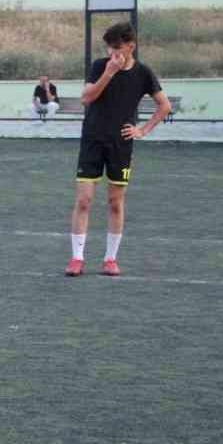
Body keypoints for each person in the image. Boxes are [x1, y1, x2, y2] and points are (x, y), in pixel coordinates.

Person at [66, 21, 170, 277]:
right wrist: (109, 72)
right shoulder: (101, 66)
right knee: (84, 200)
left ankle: (110, 259)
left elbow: (164, 106)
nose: (113, 52)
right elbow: (86, 97)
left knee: (115, 202)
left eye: (117, 47)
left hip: (121, 145)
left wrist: (142, 130)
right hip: (92, 140)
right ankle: (77, 258)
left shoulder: (144, 73)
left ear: (130, 46)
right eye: (110, 48)